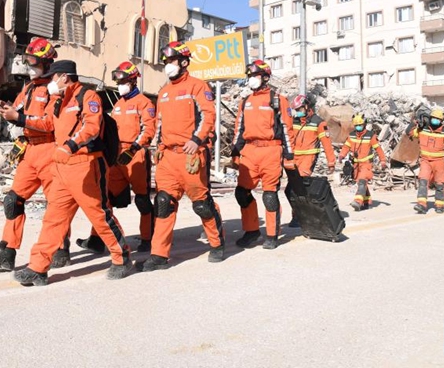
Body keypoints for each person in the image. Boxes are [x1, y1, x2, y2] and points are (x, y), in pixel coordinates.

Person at [0, 60, 132, 285]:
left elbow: (92, 127)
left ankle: (122, 257)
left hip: (86, 165)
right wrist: (18, 117)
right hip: (61, 167)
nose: (50, 82)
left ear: (64, 77)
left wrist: (70, 145)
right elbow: (48, 123)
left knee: (99, 216)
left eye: (53, 77)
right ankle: (38, 267)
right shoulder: (59, 100)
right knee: (53, 218)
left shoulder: (88, 97)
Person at [137, 41, 225, 271]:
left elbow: (208, 115)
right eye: (165, 62)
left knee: (201, 205)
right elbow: (158, 124)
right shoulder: (164, 92)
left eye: (171, 61)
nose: (167, 66)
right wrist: (156, 147)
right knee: (164, 203)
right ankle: (159, 254)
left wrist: (197, 140)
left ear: (184, 62)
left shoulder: (197, 86)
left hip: (191, 155)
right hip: (168, 157)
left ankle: (217, 243)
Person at [0, 38, 66, 271]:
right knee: (13, 200)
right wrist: (4, 108)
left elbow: (49, 123)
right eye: (27, 60)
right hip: (29, 150)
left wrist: (18, 118)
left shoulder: (55, 89)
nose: (29, 65)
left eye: (33, 61)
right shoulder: (28, 87)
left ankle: (60, 248)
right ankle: (7, 252)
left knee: (56, 204)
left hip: (49, 148)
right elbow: (18, 109)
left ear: (47, 63)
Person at [76, 61, 156, 253]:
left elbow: (149, 129)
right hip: (116, 156)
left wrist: (135, 147)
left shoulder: (145, 103)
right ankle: (97, 239)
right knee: (105, 199)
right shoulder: (118, 104)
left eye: (123, 81)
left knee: (142, 200)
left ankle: (149, 238)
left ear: (133, 81)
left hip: (135, 155)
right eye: (118, 81)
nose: (120, 85)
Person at [231, 60, 295, 250]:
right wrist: (235, 152)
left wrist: (290, 156)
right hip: (249, 151)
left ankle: (272, 234)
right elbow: (239, 129)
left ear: (265, 77)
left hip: (271, 150)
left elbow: (286, 128)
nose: (251, 80)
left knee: (269, 195)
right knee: (242, 192)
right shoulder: (246, 101)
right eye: (249, 76)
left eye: (254, 76)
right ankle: (251, 231)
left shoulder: (278, 100)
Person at [288, 94, 335, 227]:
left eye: (300, 109)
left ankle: (299, 216)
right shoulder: (294, 121)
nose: (298, 112)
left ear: (307, 106)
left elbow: (326, 144)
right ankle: (300, 213)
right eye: (296, 109)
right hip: (294, 159)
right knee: (291, 189)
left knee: (299, 186)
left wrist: (331, 162)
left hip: (308, 159)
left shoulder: (318, 122)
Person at [406, 109, 444, 214]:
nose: (435, 121)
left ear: (441, 121)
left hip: (439, 161)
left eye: (438, 119)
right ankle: (421, 204)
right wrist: (414, 122)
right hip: (425, 160)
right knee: (423, 181)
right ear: (430, 118)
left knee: (439, 183)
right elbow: (409, 133)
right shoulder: (423, 129)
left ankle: (439, 205)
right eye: (434, 118)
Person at [338, 113, 387, 211]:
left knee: (362, 180)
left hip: (366, 164)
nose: (358, 127)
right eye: (356, 125)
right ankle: (366, 201)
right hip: (356, 164)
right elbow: (346, 146)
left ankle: (357, 201)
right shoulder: (352, 135)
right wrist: (341, 155)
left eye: (360, 125)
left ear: (364, 124)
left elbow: (378, 149)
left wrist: (383, 161)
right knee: (361, 182)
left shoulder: (370, 136)